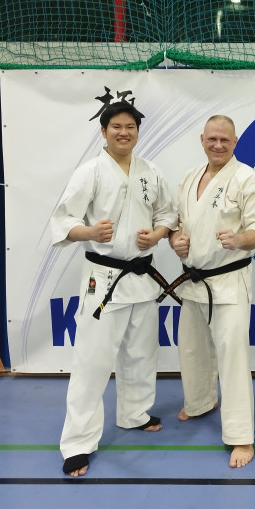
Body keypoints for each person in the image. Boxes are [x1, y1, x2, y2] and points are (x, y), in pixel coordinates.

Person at [51, 101, 177, 477]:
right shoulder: (90, 171)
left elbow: (167, 213)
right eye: (117, 127)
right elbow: (63, 219)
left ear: (138, 131)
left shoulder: (150, 171)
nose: (124, 133)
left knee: (141, 353)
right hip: (103, 279)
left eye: (130, 127)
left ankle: (134, 414)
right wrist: (89, 232)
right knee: (92, 362)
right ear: (103, 131)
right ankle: (77, 443)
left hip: (142, 276)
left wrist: (157, 233)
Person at [169, 115, 255, 468]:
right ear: (202, 139)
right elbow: (177, 224)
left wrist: (239, 239)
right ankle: (200, 402)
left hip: (228, 283)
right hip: (193, 281)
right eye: (212, 139)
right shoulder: (189, 177)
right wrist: (175, 240)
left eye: (225, 139)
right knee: (192, 349)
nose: (218, 145)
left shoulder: (246, 178)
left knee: (232, 359)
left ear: (235, 141)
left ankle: (241, 436)